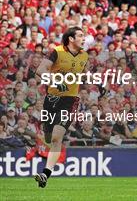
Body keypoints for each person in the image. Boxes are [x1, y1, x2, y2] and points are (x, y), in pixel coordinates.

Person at [34, 27, 88, 188]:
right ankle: (48, 139)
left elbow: (84, 72)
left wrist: (100, 84)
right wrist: (55, 81)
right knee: (49, 137)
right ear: (71, 39)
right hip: (52, 99)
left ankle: (45, 174)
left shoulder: (84, 55)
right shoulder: (56, 51)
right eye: (80, 35)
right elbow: (40, 70)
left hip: (70, 100)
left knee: (57, 138)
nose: (84, 38)